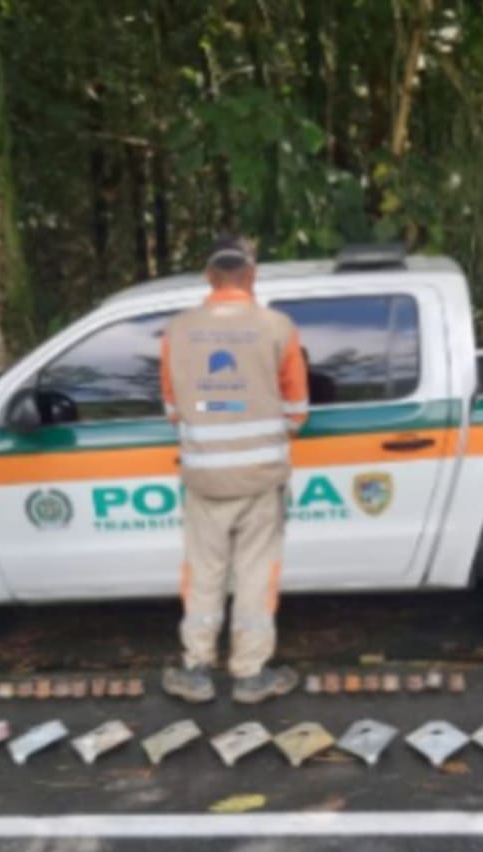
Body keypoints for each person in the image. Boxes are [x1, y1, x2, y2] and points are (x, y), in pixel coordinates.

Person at [159, 237, 309, 704]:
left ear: (209, 276)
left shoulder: (178, 331)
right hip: (261, 479)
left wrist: (214, 410)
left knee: (203, 574)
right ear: (252, 275)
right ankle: (249, 675)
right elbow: (298, 410)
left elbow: (172, 409)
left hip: (205, 480)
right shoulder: (277, 326)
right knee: (255, 575)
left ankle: (196, 671)